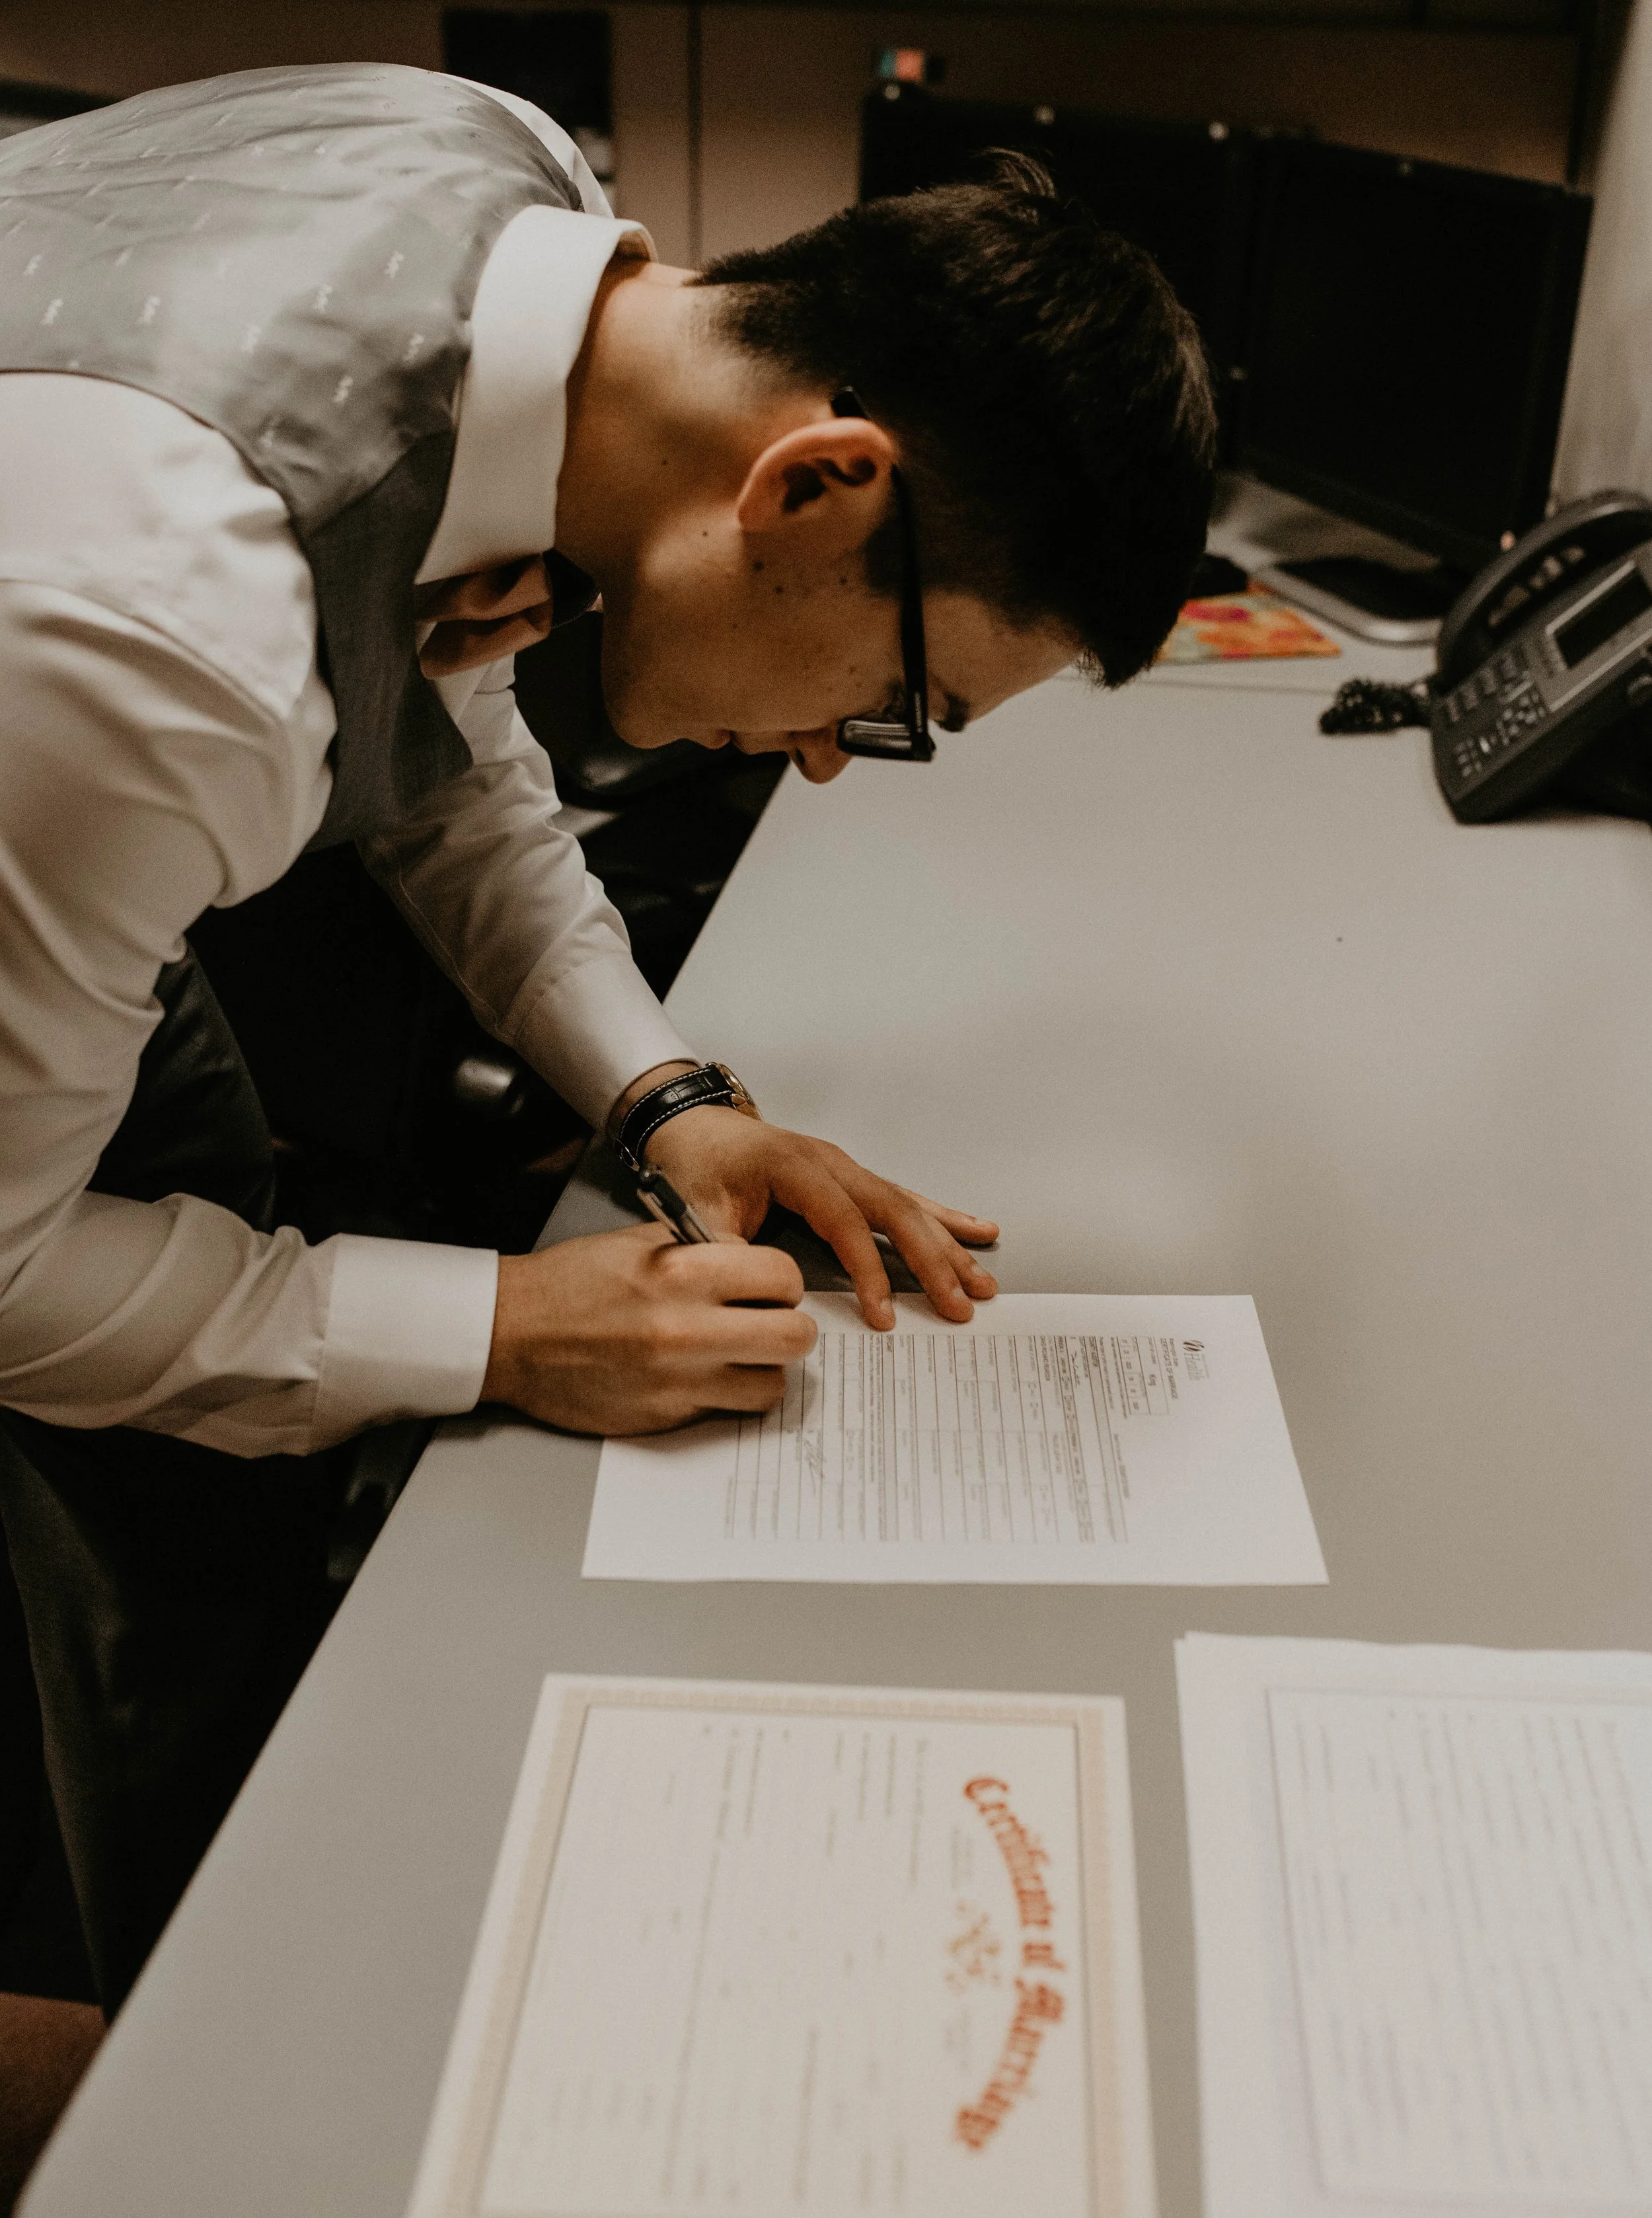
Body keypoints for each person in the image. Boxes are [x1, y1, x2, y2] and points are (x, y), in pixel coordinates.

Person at [0, 63, 1215, 2007]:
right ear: (818, 485)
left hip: (53, 835)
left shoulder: (510, 185)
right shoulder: (157, 635)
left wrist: (665, 1098)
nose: (826, 763)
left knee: (197, 1543)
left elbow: (432, 705)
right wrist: (499, 1326)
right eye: (899, 707)